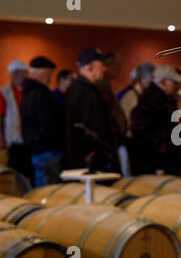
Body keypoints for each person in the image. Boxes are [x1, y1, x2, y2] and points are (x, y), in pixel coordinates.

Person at [65, 48, 119, 172]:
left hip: (87, 160)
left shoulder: (79, 89)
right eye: (102, 65)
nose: (104, 69)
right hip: (93, 163)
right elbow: (93, 129)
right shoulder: (85, 92)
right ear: (90, 67)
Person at [131, 64, 181, 175]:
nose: (177, 86)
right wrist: (160, 143)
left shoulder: (157, 97)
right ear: (164, 82)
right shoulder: (153, 100)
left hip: (158, 158)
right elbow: (141, 127)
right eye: (174, 82)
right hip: (156, 161)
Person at [21, 57, 65, 186]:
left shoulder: (27, 94)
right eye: (48, 75)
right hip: (48, 151)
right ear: (42, 74)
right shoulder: (41, 94)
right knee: (52, 194)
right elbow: (48, 125)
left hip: (37, 151)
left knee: (43, 191)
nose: (50, 79)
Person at [0, 60, 33, 180]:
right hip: (14, 139)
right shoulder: (5, 92)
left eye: (23, 73)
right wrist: (1, 137)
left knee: (30, 171)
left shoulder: (31, 92)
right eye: (17, 73)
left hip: (30, 138)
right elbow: (1, 116)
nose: (20, 76)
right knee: (16, 172)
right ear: (12, 75)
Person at [97, 52, 127, 147]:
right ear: (107, 65)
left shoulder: (106, 84)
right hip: (111, 139)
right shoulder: (102, 85)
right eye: (117, 65)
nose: (120, 69)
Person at [117, 63, 155, 136]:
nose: (154, 81)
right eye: (152, 77)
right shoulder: (130, 95)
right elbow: (125, 121)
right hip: (132, 139)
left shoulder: (145, 94)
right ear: (143, 78)